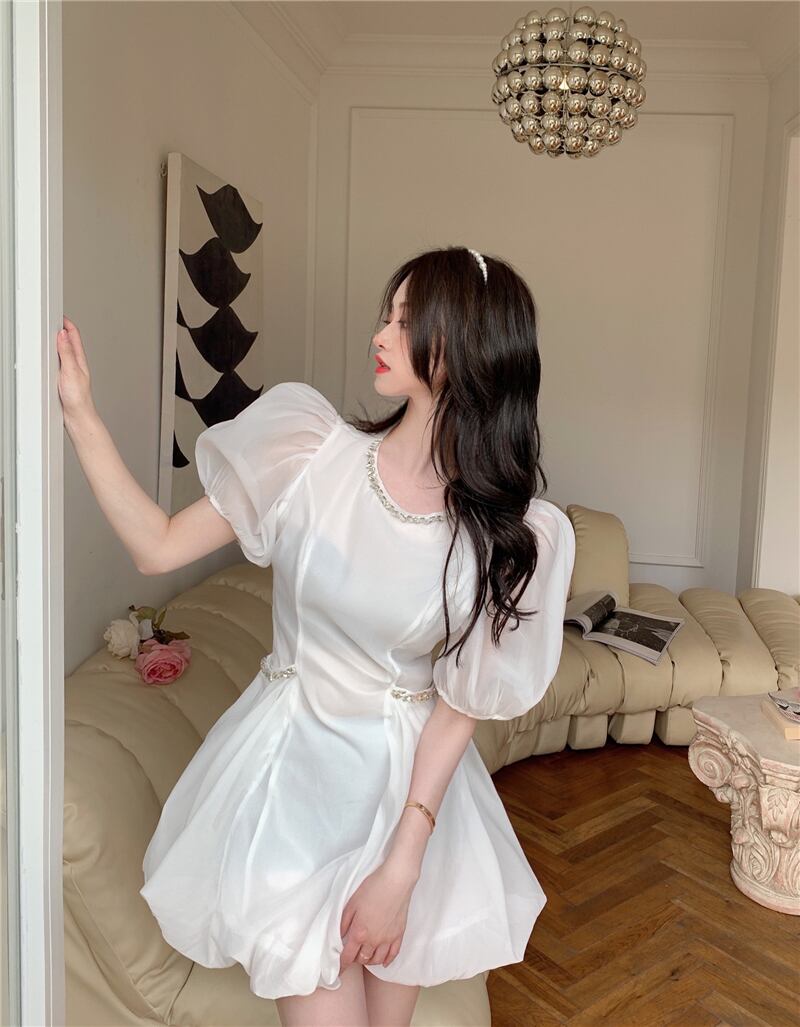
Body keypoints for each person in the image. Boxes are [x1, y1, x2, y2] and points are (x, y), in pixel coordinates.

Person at [57, 244, 576, 1027]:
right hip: (291, 786)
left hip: (405, 801)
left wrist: (402, 867)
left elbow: (456, 710)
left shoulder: (507, 534)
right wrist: (81, 416)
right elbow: (156, 546)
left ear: (460, 346)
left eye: (405, 321)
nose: (380, 334)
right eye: (386, 315)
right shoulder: (307, 454)